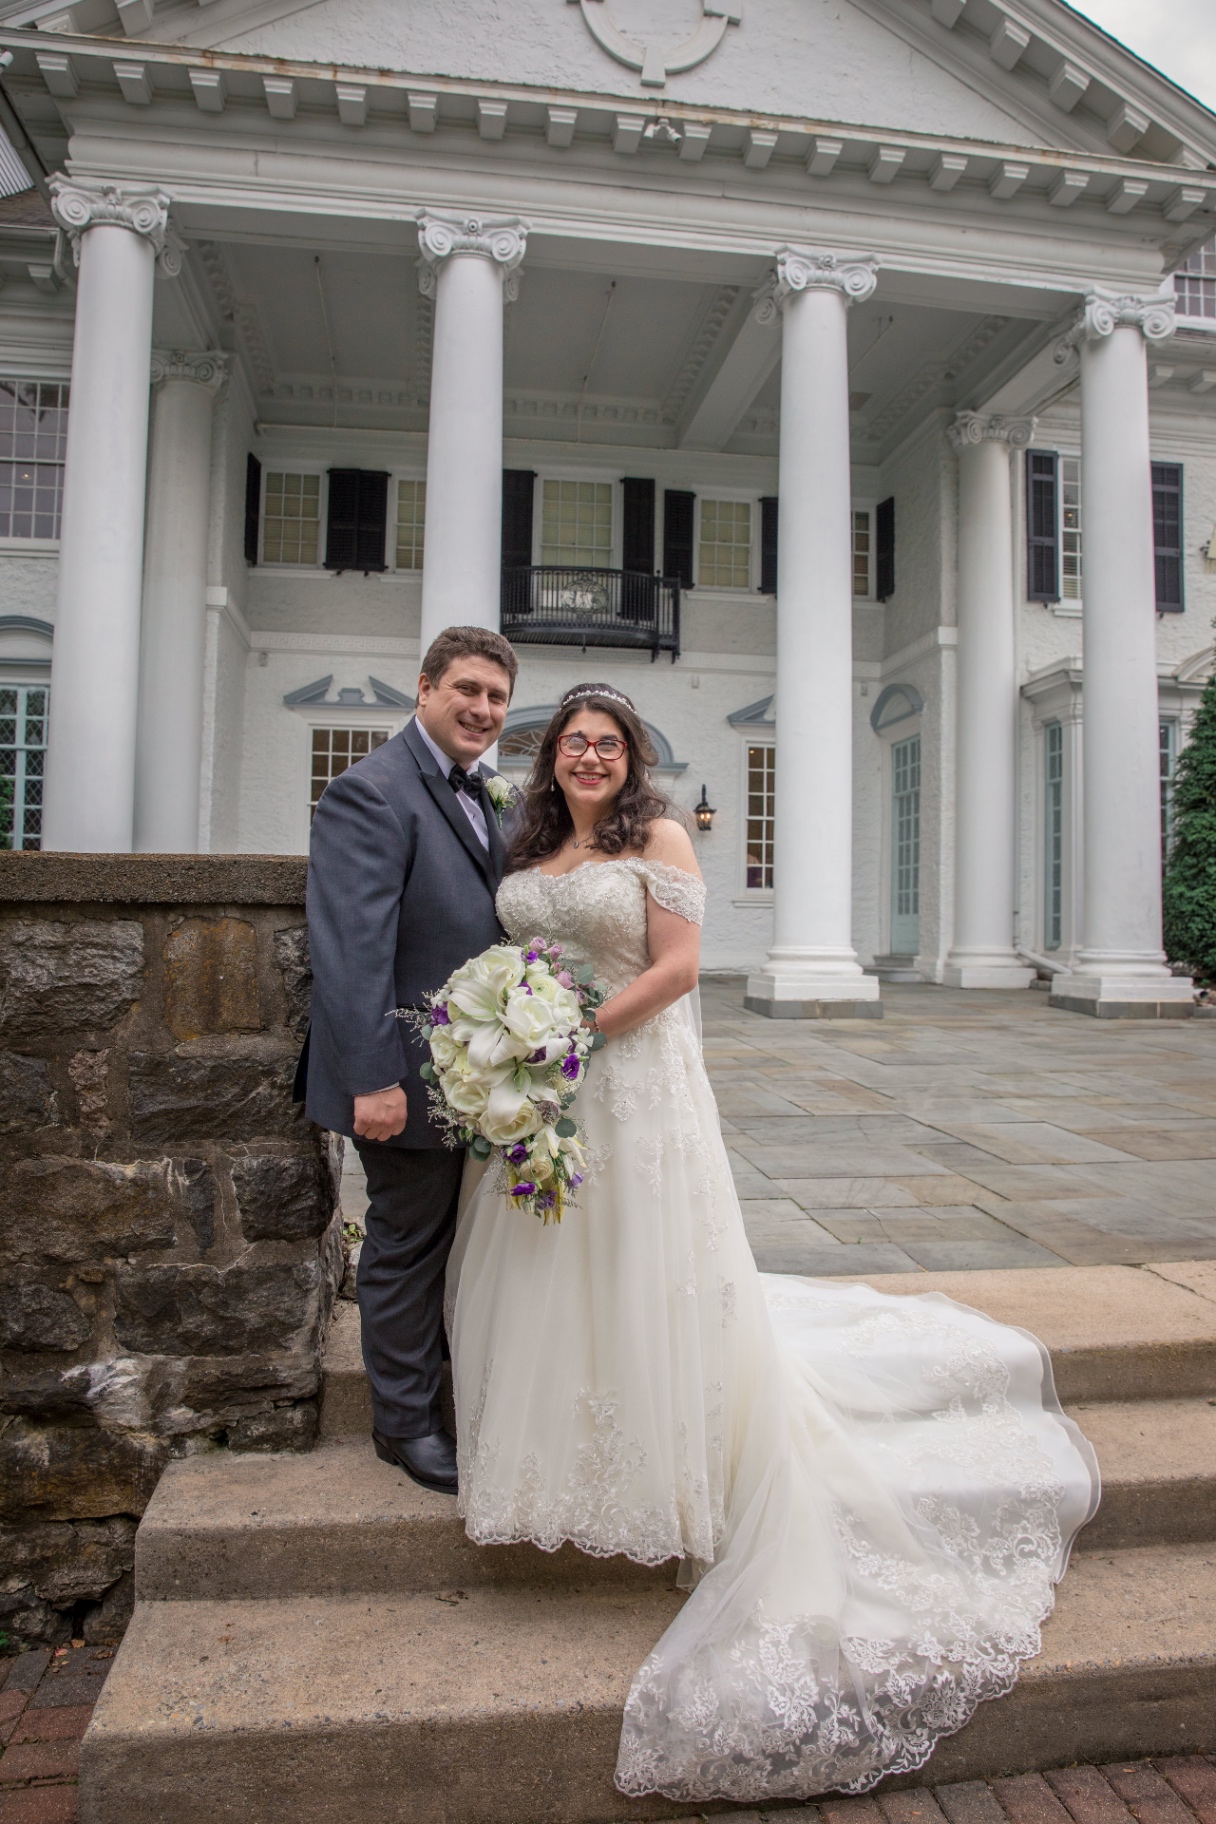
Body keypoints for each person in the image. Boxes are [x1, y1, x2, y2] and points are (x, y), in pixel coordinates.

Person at [446, 681, 1100, 1804]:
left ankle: (659, 1458)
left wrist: (562, 1037)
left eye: (607, 744)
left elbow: (678, 967)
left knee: (637, 1260)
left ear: (629, 756)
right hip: (540, 1090)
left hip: (626, 1076)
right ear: (549, 757)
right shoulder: (534, 837)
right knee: (555, 1257)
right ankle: (545, 1445)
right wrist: (510, 1038)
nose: (590, 757)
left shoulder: (655, 832)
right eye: (573, 743)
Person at [302, 623, 518, 1496]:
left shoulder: (483, 790)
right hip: (399, 1076)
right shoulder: (372, 793)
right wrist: (373, 1079)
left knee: (451, 1246)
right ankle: (403, 1428)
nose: (482, 708)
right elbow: (352, 950)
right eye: (466, 689)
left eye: (497, 697)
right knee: (402, 1248)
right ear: (424, 688)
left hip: (468, 1071)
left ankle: (439, 1398)